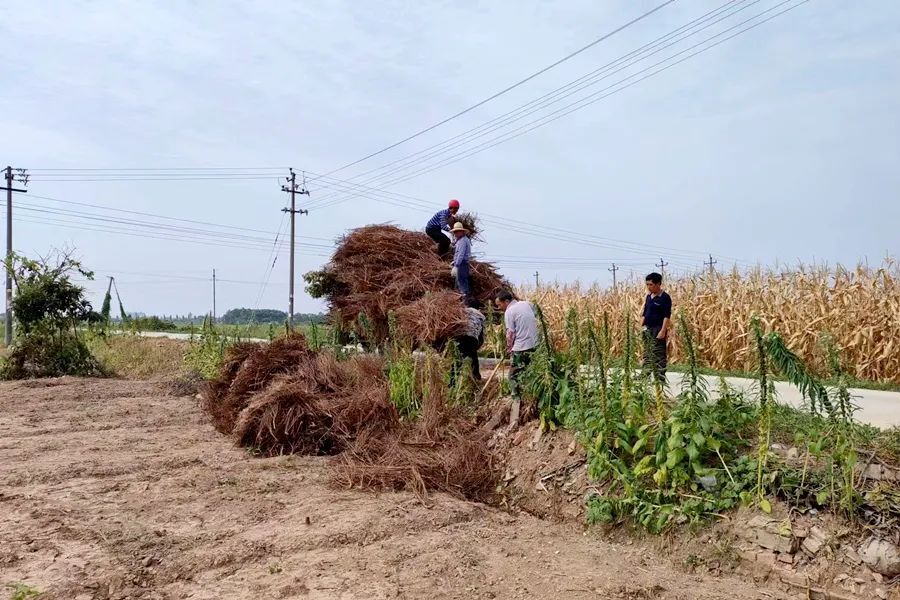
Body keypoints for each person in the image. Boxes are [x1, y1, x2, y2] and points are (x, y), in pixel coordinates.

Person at [494, 290, 539, 426]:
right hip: (535, 345)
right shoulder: (527, 304)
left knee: (513, 375)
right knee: (529, 372)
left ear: (506, 301)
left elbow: (510, 333)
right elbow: (537, 315)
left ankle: (516, 398)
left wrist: (509, 349)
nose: (498, 308)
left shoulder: (509, 312)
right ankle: (530, 395)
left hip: (520, 347)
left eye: (499, 304)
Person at [640, 272, 672, 383]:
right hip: (648, 328)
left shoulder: (665, 297)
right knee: (647, 352)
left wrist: (663, 330)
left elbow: (666, 316)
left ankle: (660, 377)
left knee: (659, 353)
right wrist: (641, 325)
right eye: (647, 285)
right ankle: (645, 374)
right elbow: (645, 312)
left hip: (658, 329)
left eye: (651, 285)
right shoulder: (649, 297)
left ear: (658, 284)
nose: (648, 287)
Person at [453, 303, 486, 382]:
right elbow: (481, 333)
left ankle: (453, 380)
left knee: (458, 359)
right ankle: (476, 377)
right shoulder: (481, 316)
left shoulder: (462, 311)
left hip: (460, 336)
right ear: (478, 308)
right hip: (472, 337)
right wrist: (479, 344)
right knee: (473, 358)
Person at [450, 221, 471, 302]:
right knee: (459, 284)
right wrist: (454, 262)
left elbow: (461, 254)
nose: (455, 233)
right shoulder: (461, 240)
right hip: (462, 264)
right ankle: (461, 301)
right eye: (454, 232)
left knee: (462, 284)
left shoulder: (462, 241)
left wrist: (456, 265)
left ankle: (465, 302)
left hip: (462, 265)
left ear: (461, 231)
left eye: (457, 231)